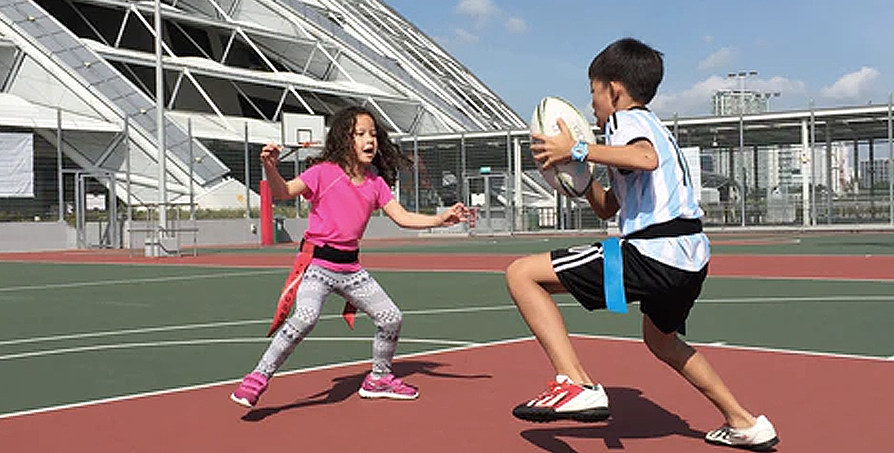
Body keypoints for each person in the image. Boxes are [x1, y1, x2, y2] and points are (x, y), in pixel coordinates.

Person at [505, 38, 779, 451]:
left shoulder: (627, 122)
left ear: (613, 90)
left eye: (593, 92)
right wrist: (575, 178)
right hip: (689, 260)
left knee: (521, 274)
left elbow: (644, 159)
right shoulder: (649, 133)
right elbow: (608, 206)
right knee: (661, 341)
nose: (592, 104)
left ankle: (576, 383)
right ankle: (744, 422)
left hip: (653, 252)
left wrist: (576, 147)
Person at [230, 106, 468, 409]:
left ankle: (379, 378)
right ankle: (257, 378)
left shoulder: (375, 183)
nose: (369, 140)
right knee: (305, 318)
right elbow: (283, 191)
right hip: (317, 266)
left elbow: (403, 217)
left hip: (351, 269)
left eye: (373, 134)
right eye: (360, 134)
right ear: (345, 139)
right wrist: (270, 168)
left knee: (391, 318)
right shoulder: (323, 173)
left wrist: (439, 220)